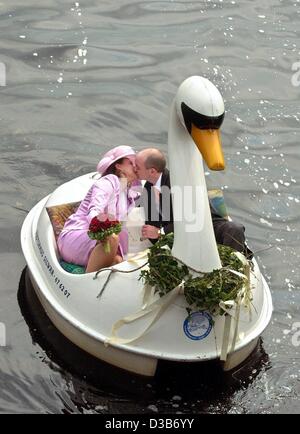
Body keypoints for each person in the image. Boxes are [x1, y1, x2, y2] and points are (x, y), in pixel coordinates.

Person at [135, 148, 252, 257]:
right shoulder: (148, 188)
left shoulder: (180, 182)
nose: (134, 169)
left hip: (206, 227)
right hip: (180, 240)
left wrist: (160, 232)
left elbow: (188, 220)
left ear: (152, 171)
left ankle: (231, 266)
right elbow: (152, 226)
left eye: (137, 167)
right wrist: (154, 234)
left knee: (234, 228)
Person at [57, 145, 139, 273]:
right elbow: (95, 210)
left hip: (101, 243)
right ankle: (86, 284)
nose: (135, 166)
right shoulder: (107, 182)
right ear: (118, 166)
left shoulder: (129, 194)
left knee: (118, 260)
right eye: (130, 162)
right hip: (76, 236)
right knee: (112, 238)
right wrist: (102, 228)